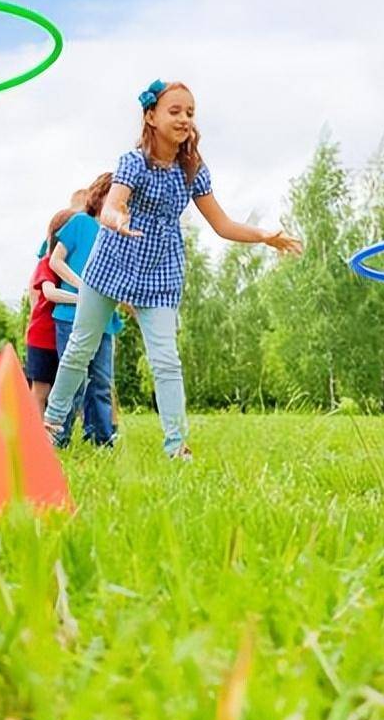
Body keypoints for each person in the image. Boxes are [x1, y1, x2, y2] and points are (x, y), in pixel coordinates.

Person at [42, 80, 303, 460]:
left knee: (166, 360)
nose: (184, 119)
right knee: (80, 348)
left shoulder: (192, 170)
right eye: (175, 111)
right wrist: (115, 218)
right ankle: (50, 426)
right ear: (151, 117)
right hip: (111, 263)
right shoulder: (133, 163)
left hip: (160, 272)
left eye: (190, 113)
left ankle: (176, 446)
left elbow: (222, 224)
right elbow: (114, 204)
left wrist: (264, 235)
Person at [49, 173, 123, 447]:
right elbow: (55, 261)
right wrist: (83, 287)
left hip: (104, 319)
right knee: (73, 380)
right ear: (102, 195)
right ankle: (58, 438)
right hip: (71, 316)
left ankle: (101, 439)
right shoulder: (80, 223)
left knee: (101, 383)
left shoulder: (118, 235)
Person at [24, 208, 79, 417]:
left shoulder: (73, 267)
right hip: (42, 337)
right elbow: (49, 292)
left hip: (63, 335)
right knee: (41, 390)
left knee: (64, 389)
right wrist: (81, 299)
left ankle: (54, 436)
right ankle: (36, 436)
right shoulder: (47, 263)